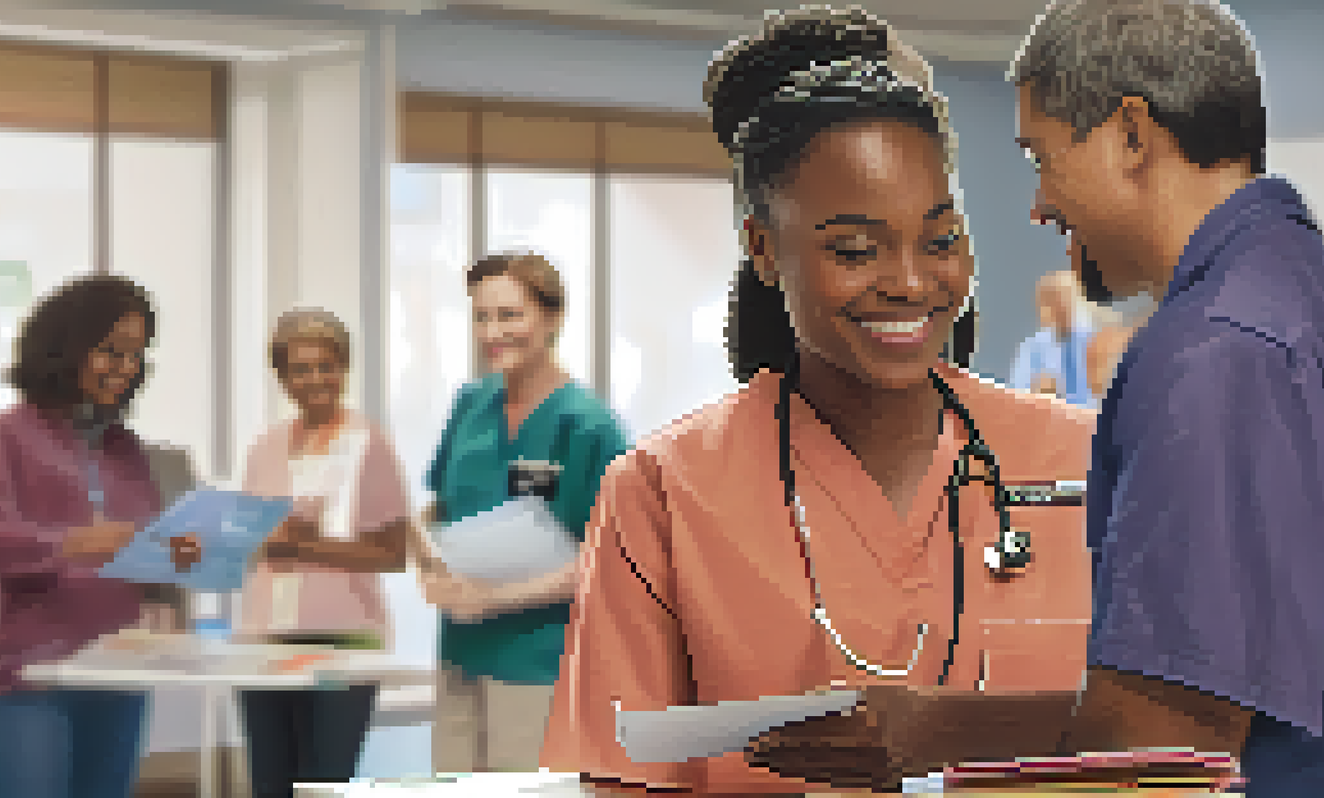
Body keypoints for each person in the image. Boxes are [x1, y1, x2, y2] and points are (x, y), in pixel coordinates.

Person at [749, 1, 1324, 795]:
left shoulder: (1218, 354)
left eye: (1042, 156)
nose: (1038, 203)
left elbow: (1164, 744)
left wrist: (937, 734)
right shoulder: (1317, 294)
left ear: (1132, 135)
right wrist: (929, 723)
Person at [540, 8, 1098, 793]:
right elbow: (624, 778)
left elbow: (1183, 743)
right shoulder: (662, 494)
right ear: (763, 247)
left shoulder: (1088, 459)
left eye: (939, 239)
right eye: (854, 249)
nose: (909, 281)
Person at [0, 275, 202, 798]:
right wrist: (73, 542)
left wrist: (177, 570)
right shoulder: (5, 435)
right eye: (110, 352)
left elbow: (141, 554)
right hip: (30, 678)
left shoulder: (128, 450)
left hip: (119, 675)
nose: (124, 368)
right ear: (65, 348)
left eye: (135, 356)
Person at [415, 251, 631, 775]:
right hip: (459, 655)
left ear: (553, 318)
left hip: (537, 665)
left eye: (510, 315)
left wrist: (491, 598)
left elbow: (607, 561)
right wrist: (428, 563)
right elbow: (435, 511)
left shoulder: (588, 425)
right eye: (482, 316)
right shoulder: (470, 405)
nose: (494, 331)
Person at [235, 308, 413, 798]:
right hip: (264, 639)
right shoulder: (264, 448)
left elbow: (394, 553)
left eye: (327, 366)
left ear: (343, 369)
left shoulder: (369, 443)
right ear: (282, 376)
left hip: (344, 642)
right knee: (269, 785)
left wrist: (302, 544)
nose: (316, 379)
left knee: (321, 784)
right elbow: (249, 543)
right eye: (301, 368)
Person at [1009, 270, 1096, 407]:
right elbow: (1017, 396)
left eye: (1064, 299)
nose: (1058, 308)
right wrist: (1036, 392)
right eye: (1047, 302)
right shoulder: (1033, 348)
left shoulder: (1097, 342)